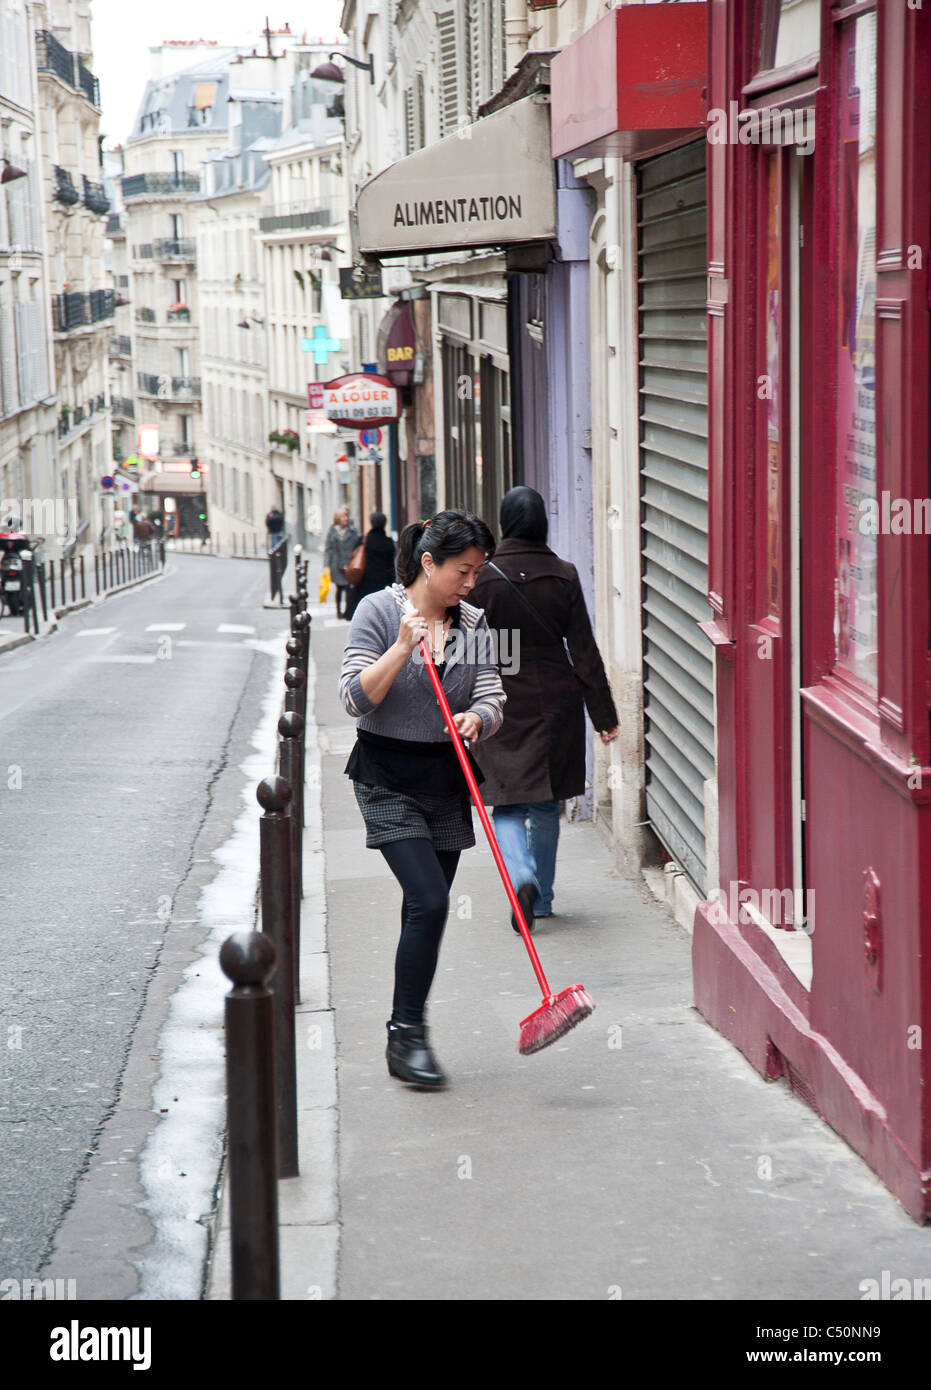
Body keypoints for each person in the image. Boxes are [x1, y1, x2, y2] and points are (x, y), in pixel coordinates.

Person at [339, 509, 505, 1089]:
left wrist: (477, 718)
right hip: (385, 775)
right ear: (428, 563)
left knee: (424, 913)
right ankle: (406, 1033)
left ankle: (406, 1034)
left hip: (445, 776)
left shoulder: (476, 622)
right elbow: (354, 698)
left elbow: (491, 691)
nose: (470, 583)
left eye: (478, 572)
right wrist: (404, 647)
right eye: (462, 570)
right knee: (430, 900)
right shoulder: (379, 612)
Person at [468, 486, 619, 932]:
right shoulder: (565, 574)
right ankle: (543, 899)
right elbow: (584, 650)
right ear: (542, 524)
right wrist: (604, 715)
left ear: (504, 524)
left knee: (509, 805)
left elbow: (467, 648)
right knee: (547, 805)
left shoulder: (484, 578)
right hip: (557, 702)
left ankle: (521, 876)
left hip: (501, 701)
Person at [344, 511, 396, 619]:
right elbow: (391, 565)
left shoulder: (364, 540)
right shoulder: (389, 542)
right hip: (383, 582)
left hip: (365, 582)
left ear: (371, 523)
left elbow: (354, 556)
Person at [324, 507, 362, 619]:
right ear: (338, 518)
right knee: (339, 588)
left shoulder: (353, 531)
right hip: (336, 563)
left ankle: (348, 611)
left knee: (348, 588)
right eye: (343, 517)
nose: (346, 518)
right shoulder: (332, 531)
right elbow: (328, 549)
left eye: (347, 516)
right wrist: (326, 565)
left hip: (349, 563)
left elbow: (359, 545)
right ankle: (338, 611)